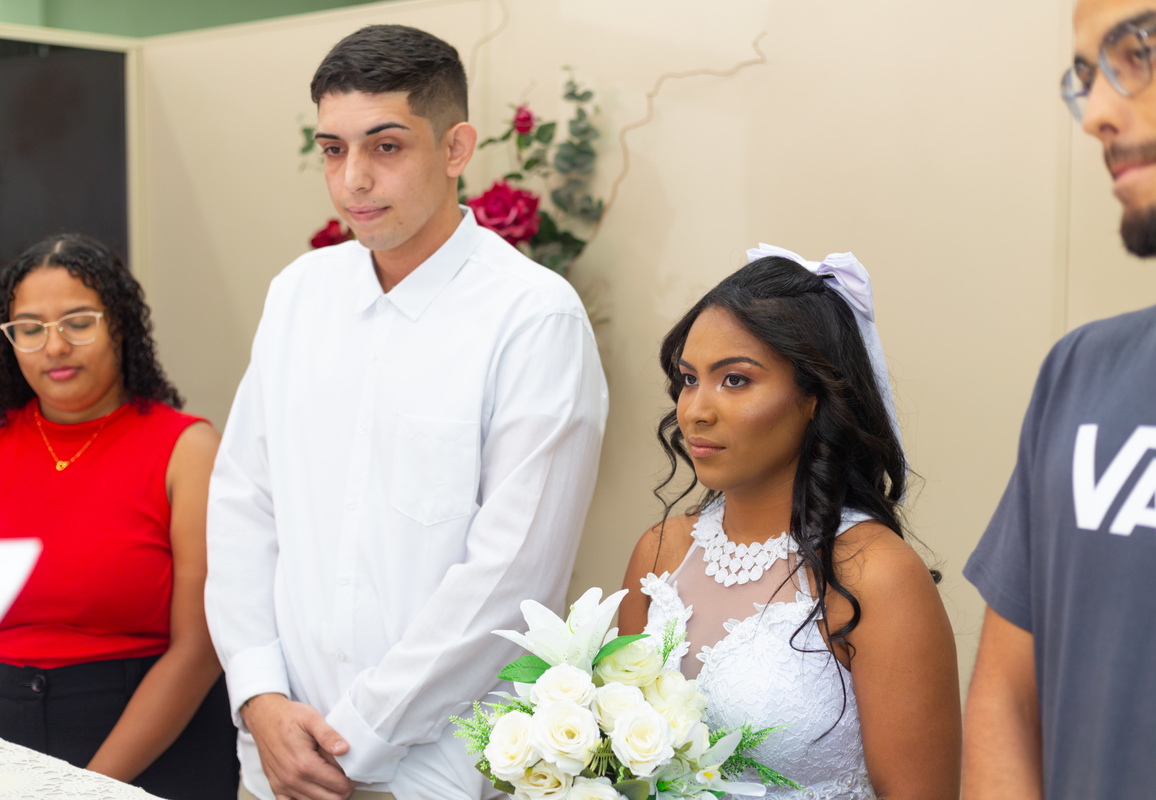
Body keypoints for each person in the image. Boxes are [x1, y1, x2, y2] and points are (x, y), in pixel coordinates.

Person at [204, 24, 608, 800]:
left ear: (456, 148)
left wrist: (356, 737)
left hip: (432, 773)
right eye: (332, 150)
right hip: (277, 761)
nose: (353, 179)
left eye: (385, 146)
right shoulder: (298, 294)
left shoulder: (533, 317)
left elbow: (511, 575)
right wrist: (259, 696)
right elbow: (243, 508)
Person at [618, 247, 961, 798]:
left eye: (735, 380)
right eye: (689, 379)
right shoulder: (660, 552)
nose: (695, 410)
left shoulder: (876, 574)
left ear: (813, 396)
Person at [0, 234, 237, 799]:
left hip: (149, 748)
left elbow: (200, 648)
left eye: (78, 323)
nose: (55, 346)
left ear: (121, 325)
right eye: (30, 329)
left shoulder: (188, 451)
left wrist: (82, 789)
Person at [962, 3, 1156, 797]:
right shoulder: (1079, 376)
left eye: (1140, 52)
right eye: (1084, 76)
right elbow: (1009, 698)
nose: (1098, 112)